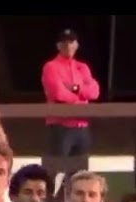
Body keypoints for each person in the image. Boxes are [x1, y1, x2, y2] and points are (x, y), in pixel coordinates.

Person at [41, 28, 100, 158]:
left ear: (76, 45)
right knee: (57, 168)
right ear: (58, 46)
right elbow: (59, 94)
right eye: (64, 42)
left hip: (82, 126)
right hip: (60, 125)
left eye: (71, 42)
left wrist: (76, 89)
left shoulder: (82, 67)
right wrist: (81, 98)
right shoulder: (51, 66)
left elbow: (95, 92)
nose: (68, 45)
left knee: (80, 170)